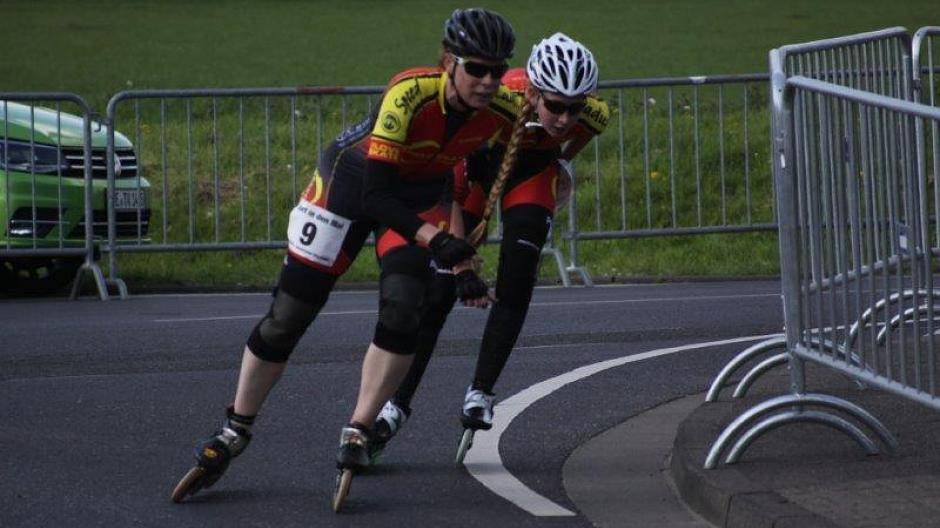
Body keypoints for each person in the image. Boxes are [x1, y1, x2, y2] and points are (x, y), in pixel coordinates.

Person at [171, 8, 521, 506]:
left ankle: (360, 427)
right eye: (476, 69)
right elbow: (376, 196)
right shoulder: (409, 93)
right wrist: (438, 241)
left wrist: (461, 258)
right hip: (349, 187)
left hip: (420, 196)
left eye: (497, 70)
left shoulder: (503, 109)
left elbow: (547, 131)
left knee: (405, 308)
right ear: (448, 62)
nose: (487, 81)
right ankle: (235, 428)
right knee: (289, 315)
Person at [371, 33, 610, 454]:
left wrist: (560, 162)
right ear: (533, 92)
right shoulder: (501, 98)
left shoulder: (593, 113)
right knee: (439, 291)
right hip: (475, 171)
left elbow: (578, 138)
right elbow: (452, 188)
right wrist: (462, 265)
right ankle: (396, 403)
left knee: (518, 278)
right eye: (555, 106)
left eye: (573, 108)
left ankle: (481, 390)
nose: (563, 119)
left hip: (531, 174)